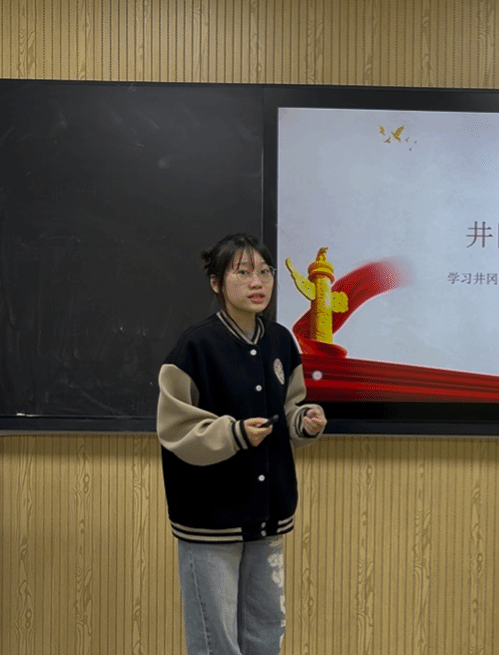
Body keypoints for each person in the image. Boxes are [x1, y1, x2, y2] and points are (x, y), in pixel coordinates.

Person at [156, 233, 327, 655]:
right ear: (217, 282)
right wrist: (233, 434)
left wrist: (303, 421)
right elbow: (175, 429)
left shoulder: (281, 341)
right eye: (244, 272)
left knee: (267, 631)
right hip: (210, 516)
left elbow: (289, 406)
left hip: (268, 512)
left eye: (265, 272)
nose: (258, 282)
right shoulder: (195, 346)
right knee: (217, 640)